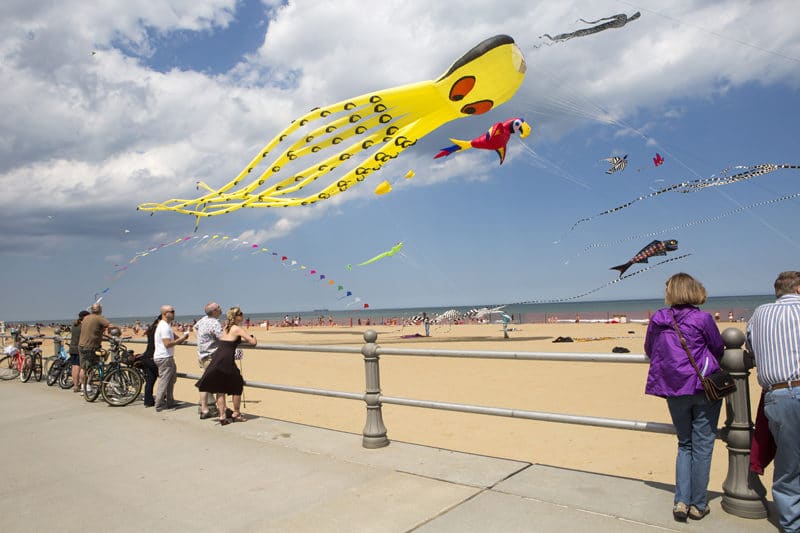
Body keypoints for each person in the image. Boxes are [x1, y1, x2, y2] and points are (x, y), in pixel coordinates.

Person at [643, 273, 724, 522]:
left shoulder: (659, 318)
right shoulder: (703, 318)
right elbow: (718, 348)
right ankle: (698, 504)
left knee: (684, 443)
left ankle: (681, 500)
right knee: (703, 444)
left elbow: (649, 348)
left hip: (673, 388)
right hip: (702, 387)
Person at [747, 271, 800, 533]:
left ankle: (791, 526)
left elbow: (751, 348)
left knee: (789, 466)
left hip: (778, 395)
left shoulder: (759, 314)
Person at [195, 306, 257, 425]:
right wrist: (254, 337)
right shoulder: (237, 328)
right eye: (241, 314)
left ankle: (222, 416)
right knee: (238, 385)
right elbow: (252, 342)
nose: (242, 315)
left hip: (217, 358)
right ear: (237, 316)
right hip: (226, 360)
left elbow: (230, 340)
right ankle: (236, 413)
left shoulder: (226, 327)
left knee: (220, 388)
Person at [153, 305, 189, 412]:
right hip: (164, 357)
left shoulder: (166, 326)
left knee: (171, 379)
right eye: (172, 311)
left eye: (174, 311)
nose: (174, 313)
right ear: (165, 313)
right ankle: (158, 404)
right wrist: (182, 338)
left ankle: (170, 401)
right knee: (164, 381)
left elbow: (176, 339)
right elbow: (168, 344)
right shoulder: (164, 326)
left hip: (167, 357)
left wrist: (183, 337)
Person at [195, 302, 223, 419]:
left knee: (205, 383)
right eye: (219, 307)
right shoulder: (214, 323)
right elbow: (223, 338)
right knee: (219, 386)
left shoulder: (203, 319)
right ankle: (220, 411)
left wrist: (200, 340)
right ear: (214, 311)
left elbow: (194, 327)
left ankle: (204, 408)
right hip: (211, 357)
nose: (221, 309)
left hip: (202, 356)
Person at [78, 303, 114, 392]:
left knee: (83, 367)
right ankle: (88, 386)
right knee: (92, 367)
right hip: (91, 346)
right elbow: (110, 326)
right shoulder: (99, 318)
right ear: (100, 310)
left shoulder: (86, 318)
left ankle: (83, 386)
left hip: (81, 345)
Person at [139, 315, 161, 408]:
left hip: (146, 356)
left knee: (150, 380)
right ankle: (161, 400)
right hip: (153, 356)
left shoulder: (151, 328)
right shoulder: (159, 329)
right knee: (165, 378)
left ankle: (148, 401)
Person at [69, 310, 89, 393]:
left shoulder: (74, 325)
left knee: (74, 367)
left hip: (72, 347)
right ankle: (82, 385)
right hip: (80, 348)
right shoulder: (83, 326)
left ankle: (75, 386)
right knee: (82, 367)